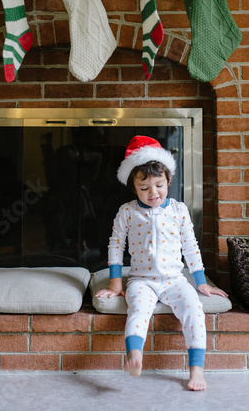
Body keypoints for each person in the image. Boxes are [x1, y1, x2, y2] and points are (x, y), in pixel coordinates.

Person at [96, 135, 228, 391]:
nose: (153, 193)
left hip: (174, 281)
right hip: (141, 281)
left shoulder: (178, 210)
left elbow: (190, 247)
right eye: (144, 189)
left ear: (168, 180)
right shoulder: (127, 211)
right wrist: (115, 283)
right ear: (134, 188)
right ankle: (134, 355)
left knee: (194, 309)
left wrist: (201, 283)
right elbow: (115, 245)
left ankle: (197, 370)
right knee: (138, 311)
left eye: (159, 185)